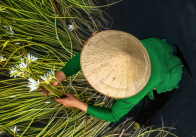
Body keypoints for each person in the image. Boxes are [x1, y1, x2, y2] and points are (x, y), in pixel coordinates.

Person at [49, 30, 183, 123]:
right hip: (154, 47)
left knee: (155, 90)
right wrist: (58, 78)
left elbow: (113, 115)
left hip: (169, 74)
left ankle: (154, 87)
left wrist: (77, 104)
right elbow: (84, 58)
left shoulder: (135, 91)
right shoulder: (114, 47)